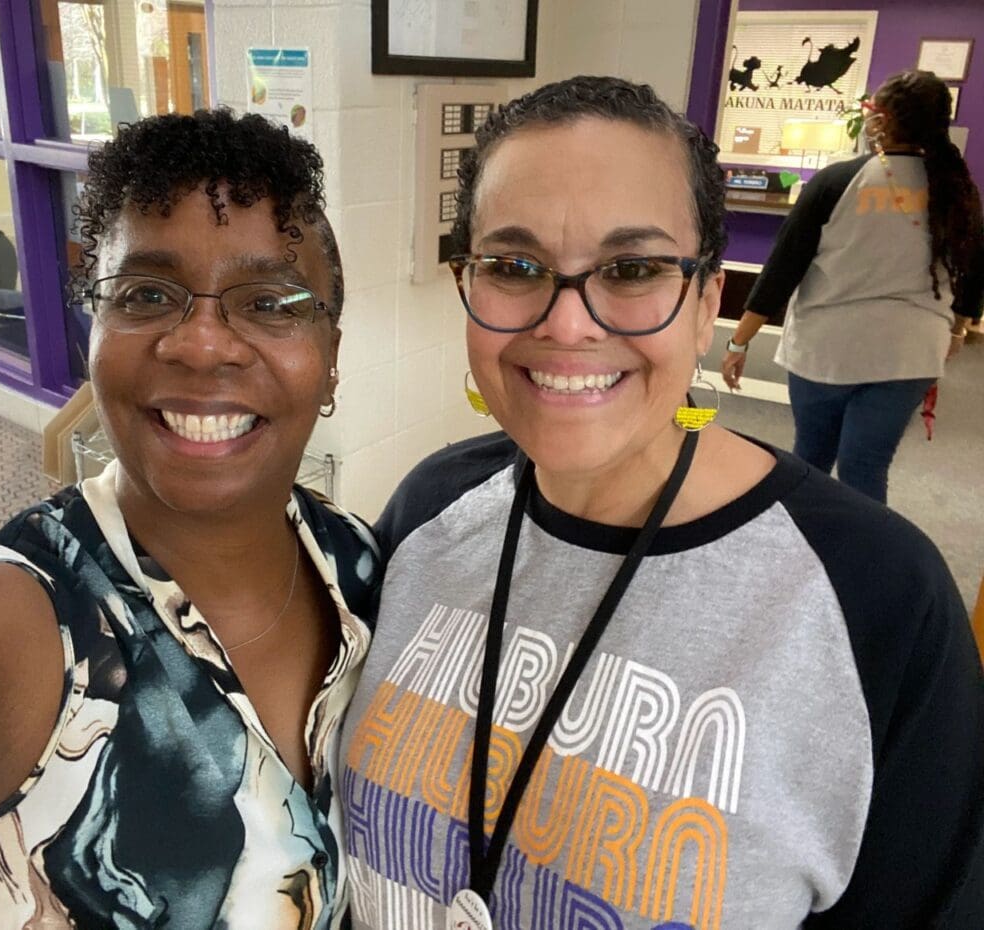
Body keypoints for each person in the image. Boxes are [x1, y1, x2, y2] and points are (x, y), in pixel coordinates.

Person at [340, 76, 984, 929]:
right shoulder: (429, 508)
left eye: (634, 268)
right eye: (514, 266)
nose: (567, 325)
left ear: (706, 300)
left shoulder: (877, 597)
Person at [0, 109, 379, 928]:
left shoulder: (360, 564)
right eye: (147, 294)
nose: (202, 345)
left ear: (330, 358)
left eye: (269, 302)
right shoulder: (20, 621)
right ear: (94, 326)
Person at [721, 69, 984, 504]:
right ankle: (861, 563)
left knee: (811, 460)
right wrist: (956, 329)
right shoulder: (957, 190)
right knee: (866, 468)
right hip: (912, 354)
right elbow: (974, 268)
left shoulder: (837, 181)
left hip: (829, 349)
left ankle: (800, 547)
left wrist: (738, 342)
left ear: (882, 120)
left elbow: (782, 271)